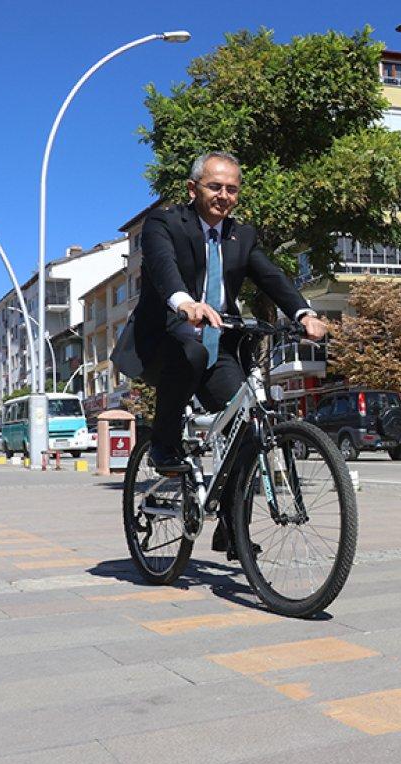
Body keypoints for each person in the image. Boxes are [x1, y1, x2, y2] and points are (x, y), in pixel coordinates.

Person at [111, 150, 327, 558]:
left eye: (232, 189)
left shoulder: (240, 236)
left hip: (219, 341)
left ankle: (232, 527)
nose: (224, 195)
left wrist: (303, 312)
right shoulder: (166, 221)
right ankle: (164, 443)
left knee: (247, 424)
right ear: (193, 189)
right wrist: (183, 301)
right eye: (215, 186)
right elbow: (161, 265)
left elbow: (270, 276)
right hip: (165, 339)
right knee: (189, 354)